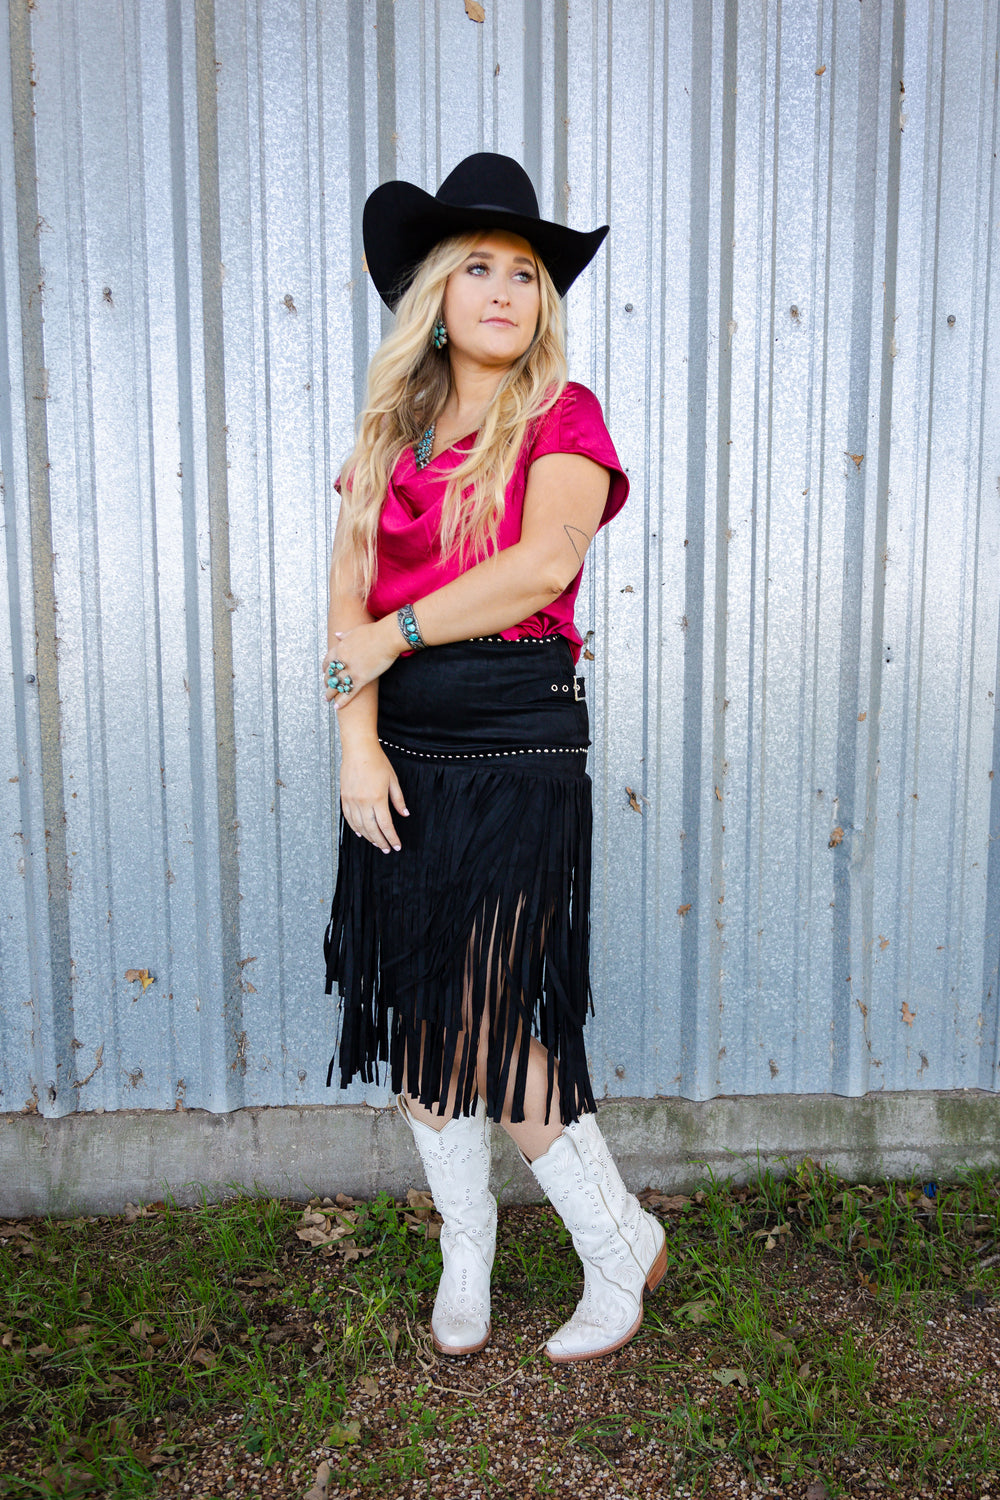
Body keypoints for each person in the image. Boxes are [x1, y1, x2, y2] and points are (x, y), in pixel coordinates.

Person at [322, 153, 665, 1364]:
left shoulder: (562, 416)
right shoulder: (388, 436)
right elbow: (342, 611)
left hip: (517, 737)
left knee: (479, 1015)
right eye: (478, 265)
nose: (506, 289)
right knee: (421, 1005)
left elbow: (541, 567)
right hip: (403, 746)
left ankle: (615, 1237)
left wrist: (399, 634)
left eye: (525, 271)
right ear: (433, 289)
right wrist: (356, 749)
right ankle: (466, 1245)